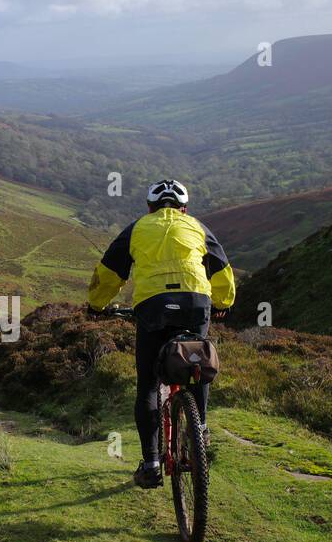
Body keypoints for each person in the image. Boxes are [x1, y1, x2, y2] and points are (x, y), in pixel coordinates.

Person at [87, 178, 236, 489]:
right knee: (197, 367)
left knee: (149, 385)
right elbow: (222, 270)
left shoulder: (137, 228)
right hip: (196, 305)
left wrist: (96, 305)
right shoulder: (196, 226)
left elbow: (109, 272)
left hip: (153, 308)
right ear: (184, 208)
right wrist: (222, 303)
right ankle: (201, 429)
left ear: (150, 207)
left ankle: (152, 462)